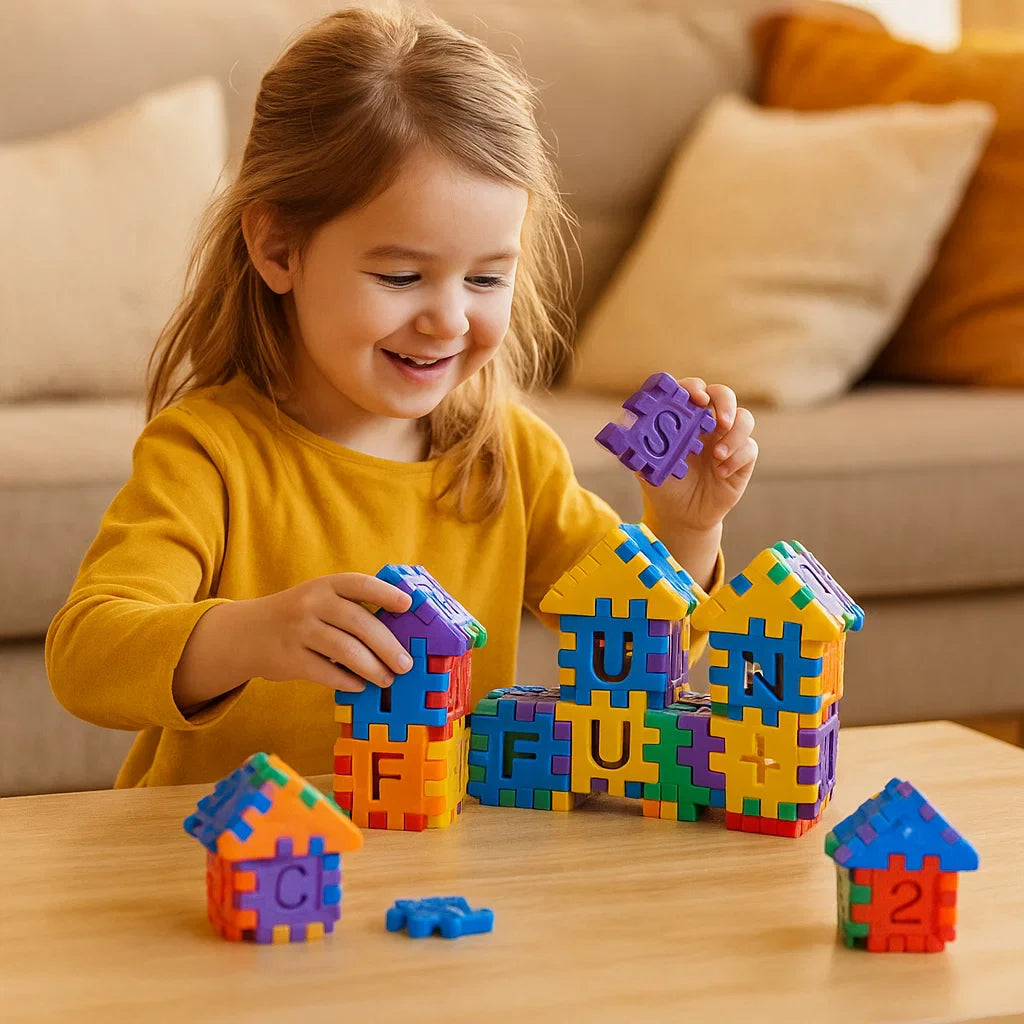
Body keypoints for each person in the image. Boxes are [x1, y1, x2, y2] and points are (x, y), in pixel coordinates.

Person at [46, 7, 758, 788]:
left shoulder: (508, 457)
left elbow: (639, 657)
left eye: (486, 278)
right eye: (400, 275)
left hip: (437, 862)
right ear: (278, 248)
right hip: (230, 867)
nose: (449, 318)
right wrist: (250, 633)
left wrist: (686, 530)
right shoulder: (208, 454)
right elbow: (85, 657)